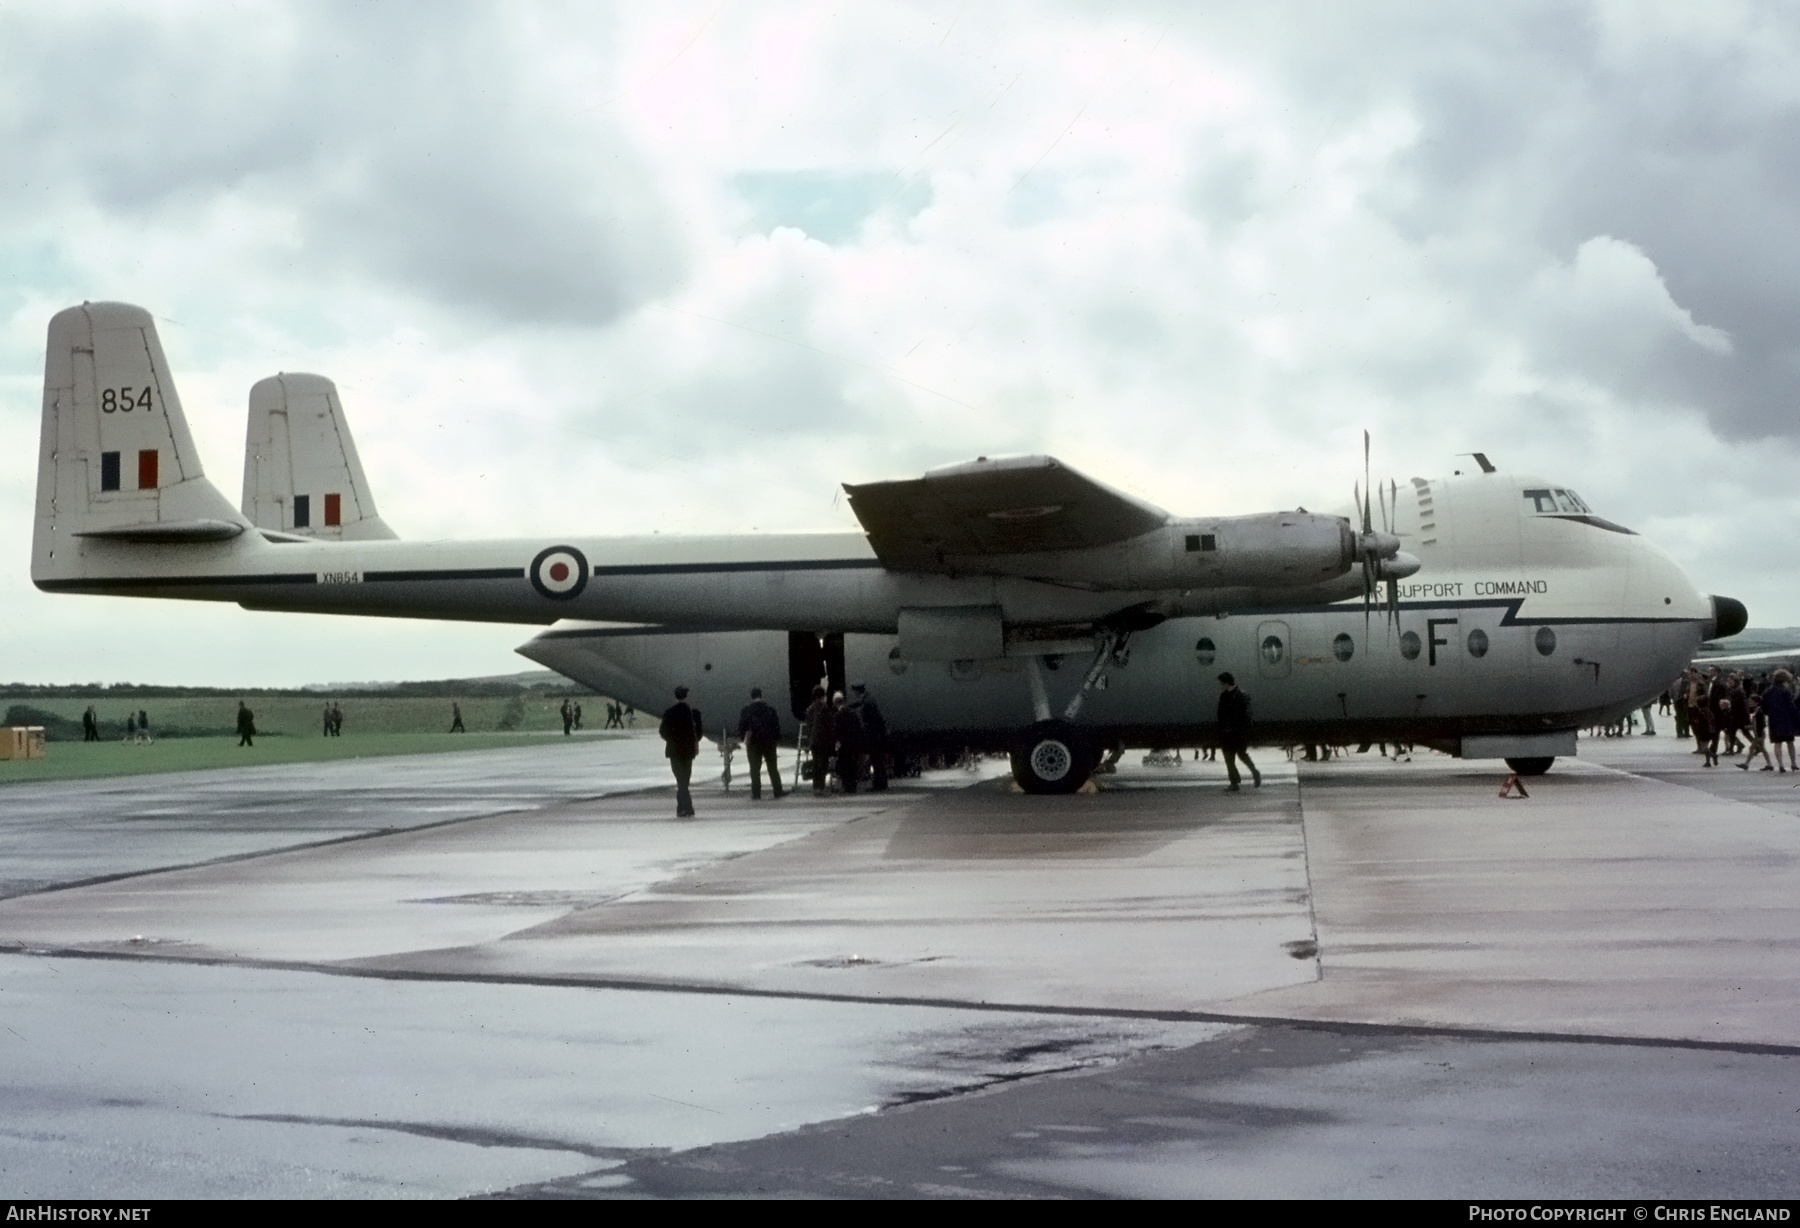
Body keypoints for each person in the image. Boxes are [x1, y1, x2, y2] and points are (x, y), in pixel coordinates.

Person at [659, 685, 703, 818]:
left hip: (674, 749)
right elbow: (699, 733)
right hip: (688, 750)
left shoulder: (669, 712)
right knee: (685, 778)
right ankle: (686, 807)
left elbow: (662, 731)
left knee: (680, 779)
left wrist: (672, 739)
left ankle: (683, 807)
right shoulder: (693, 713)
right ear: (687, 696)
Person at [737, 687, 784, 801]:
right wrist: (775, 739)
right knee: (772, 768)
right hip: (769, 742)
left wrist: (744, 738)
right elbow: (776, 726)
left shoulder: (746, 710)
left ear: (751, 697)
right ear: (761, 696)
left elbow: (742, 726)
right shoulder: (770, 710)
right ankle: (777, 790)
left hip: (753, 742)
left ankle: (756, 792)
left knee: (754, 769)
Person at [1216, 672, 1260, 791]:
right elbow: (1221, 715)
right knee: (1229, 758)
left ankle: (1255, 772)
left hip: (1239, 732)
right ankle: (1234, 782)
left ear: (1226, 683)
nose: (1220, 685)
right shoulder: (1224, 696)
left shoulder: (1242, 696)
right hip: (1227, 733)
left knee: (1242, 755)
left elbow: (1247, 715)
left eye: (1221, 683)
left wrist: (1244, 730)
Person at [849, 682, 888, 791]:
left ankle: (879, 784)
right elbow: (859, 703)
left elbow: (870, 720)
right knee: (878, 760)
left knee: (876, 760)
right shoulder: (868, 698)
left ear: (857, 691)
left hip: (874, 735)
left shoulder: (867, 702)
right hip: (877, 735)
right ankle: (881, 783)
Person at [1763, 670, 1799, 773]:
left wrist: (1768, 713)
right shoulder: (1786, 690)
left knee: (1777, 743)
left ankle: (1781, 764)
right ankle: (1793, 763)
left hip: (1774, 720)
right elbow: (1791, 706)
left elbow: (1764, 705)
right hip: (1786, 719)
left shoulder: (1768, 691)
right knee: (1790, 742)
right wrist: (1797, 719)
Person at [804, 684, 833, 794]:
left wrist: (809, 741)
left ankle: (816, 787)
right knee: (823, 764)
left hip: (813, 742)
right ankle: (821, 786)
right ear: (823, 695)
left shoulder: (809, 709)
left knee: (816, 764)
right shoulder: (824, 708)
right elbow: (829, 725)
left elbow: (808, 727)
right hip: (823, 741)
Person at [832, 691, 863, 794]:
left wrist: (837, 743)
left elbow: (837, 732)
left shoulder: (838, 715)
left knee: (844, 767)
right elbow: (858, 728)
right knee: (852, 766)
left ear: (835, 703)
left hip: (844, 746)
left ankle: (847, 786)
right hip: (853, 745)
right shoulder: (853, 713)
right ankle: (852, 786)